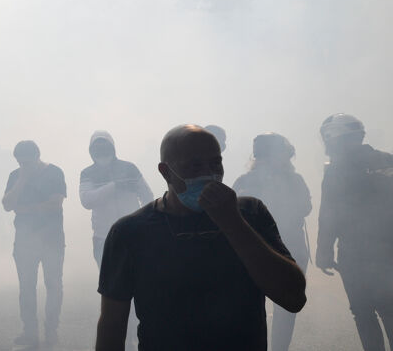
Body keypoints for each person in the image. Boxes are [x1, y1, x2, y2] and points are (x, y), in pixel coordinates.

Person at [95, 125, 306, 351]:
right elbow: (112, 325)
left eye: (216, 163)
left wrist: (233, 223)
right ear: (165, 172)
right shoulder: (130, 232)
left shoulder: (250, 214)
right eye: (194, 166)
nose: (208, 174)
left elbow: (293, 297)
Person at [316, 113, 393, 351]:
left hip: (354, 253)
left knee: (363, 312)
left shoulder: (336, 170)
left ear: (334, 139)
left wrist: (324, 252)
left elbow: (329, 213)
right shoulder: (387, 159)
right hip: (388, 249)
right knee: (390, 309)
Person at [233, 133, 312, 351]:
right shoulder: (294, 179)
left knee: (251, 302)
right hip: (289, 247)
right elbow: (306, 207)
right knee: (286, 306)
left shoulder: (244, 181)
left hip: (252, 248)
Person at [2, 140, 66, 348]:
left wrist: (26, 209)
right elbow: (7, 205)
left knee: (54, 285)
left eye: (28, 162)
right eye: (21, 163)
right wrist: (21, 180)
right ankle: (29, 331)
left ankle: (51, 330)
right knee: (26, 287)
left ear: (38, 156)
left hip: (52, 239)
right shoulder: (15, 175)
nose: (24, 166)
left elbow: (55, 203)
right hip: (24, 241)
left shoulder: (54, 172)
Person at [80, 131, 153, 267]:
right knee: (109, 282)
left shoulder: (129, 168)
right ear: (91, 151)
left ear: (112, 147)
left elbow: (147, 196)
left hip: (133, 233)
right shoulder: (87, 173)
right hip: (104, 236)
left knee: (138, 277)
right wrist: (115, 186)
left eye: (104, 145)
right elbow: (87, 201)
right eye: (97, 147)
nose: (101, 150)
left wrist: (142, 222)